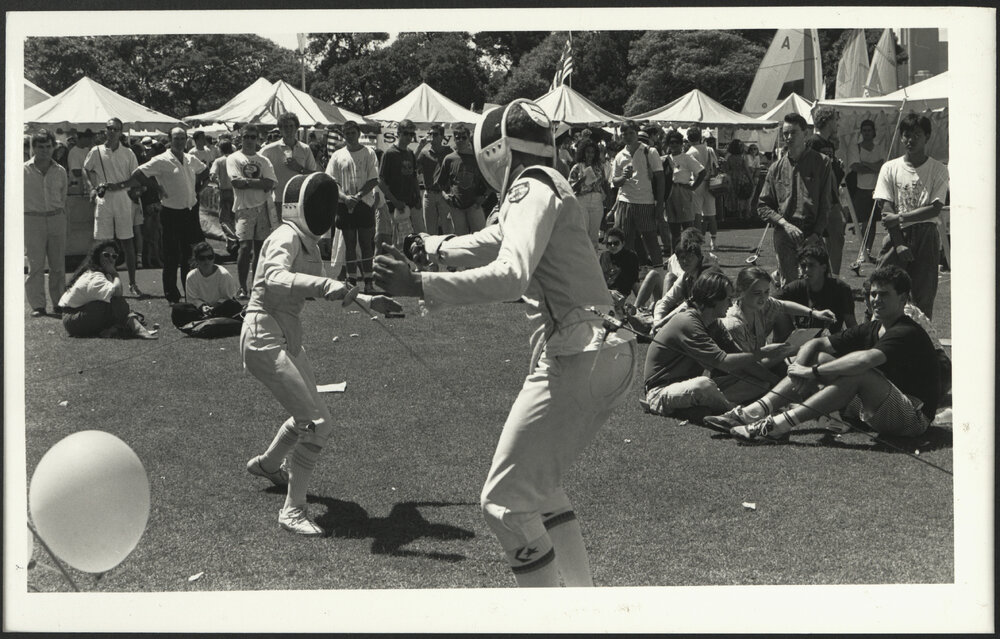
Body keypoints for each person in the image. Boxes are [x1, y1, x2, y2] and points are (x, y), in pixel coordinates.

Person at [373, 99, 636, 587]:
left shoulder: (527, 186)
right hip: (608, 349)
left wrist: (420, 284)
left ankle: (552, 617)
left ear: (494, 151)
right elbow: (497, 237)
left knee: (504, 504)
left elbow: (510, 273)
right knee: (541, 492)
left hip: (578, 353)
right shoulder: (549, 182)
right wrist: (432, 246)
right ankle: (584, 605)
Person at [241, 172, 399, 536]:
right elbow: (274, 278)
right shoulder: (284, 236)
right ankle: (292, 510)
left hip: (286, 334)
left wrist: (368, 299)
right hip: (263, 335)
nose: (326, 212)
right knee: (316, 422)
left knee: (311, 416)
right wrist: (327, 284)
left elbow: (322, 288)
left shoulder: (308, 243)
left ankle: (267, 465)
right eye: (321, 204)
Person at [706, 266, 939, 442]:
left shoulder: (905, 331)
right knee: (818, 355)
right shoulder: (873, 326)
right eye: (873, 294)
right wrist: (800, 369)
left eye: (884, 295)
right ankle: (752, 412)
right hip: (875, 407)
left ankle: (777, 425)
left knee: (859, 372)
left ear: (903, 298)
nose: (876, 300)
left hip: (912, 417)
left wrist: (811, 372)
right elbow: (817, 343)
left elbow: (865, 360)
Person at [643, 271, 778, 419]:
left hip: (687, 385)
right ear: (713, 299)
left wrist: (775, 382)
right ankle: (737, 415)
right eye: (727, 299)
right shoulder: (687, 322)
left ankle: (700, 409)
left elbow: (740, 360)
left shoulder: (714, 323)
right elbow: (723, 363)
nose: (731, 304)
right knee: (704, 385)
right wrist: (764, 353)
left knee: (759, 382)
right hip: (660, 391)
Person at [873, 113, 949, 319]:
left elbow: (935, 208)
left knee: (923, 295)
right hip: (896, 234)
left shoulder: (938, 169)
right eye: (906, 135)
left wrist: (900, 218)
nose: (911, 140)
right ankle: (875, 332)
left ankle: (921, 335)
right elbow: (886, 207)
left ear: (927, 136)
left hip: (926, 235)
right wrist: (898, 244)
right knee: (881, 288)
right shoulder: (890, 168)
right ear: (900, 137)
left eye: (917, 135)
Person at [127, 127, 210, 305]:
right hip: (171, 212)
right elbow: (138, 174)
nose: (179, 142)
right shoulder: (161, 160)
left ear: (186, 140)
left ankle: (189, 292)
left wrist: (196, 189)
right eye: (176, 138)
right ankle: (172, 296)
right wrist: (156, 187)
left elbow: (205, 171)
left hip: (190, 211)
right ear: (170, 140)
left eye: (182, 138)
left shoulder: (190, 158)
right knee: (172, 255)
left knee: (190, 255)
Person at [758, 113, 835, 287]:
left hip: (811, 232)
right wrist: (785, 224)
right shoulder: (775, 168)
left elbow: (825, 204)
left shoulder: (822, 162)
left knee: (820, 284)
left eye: (793, 132)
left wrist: (816, 234)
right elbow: (763, 206)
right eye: (785, 133)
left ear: (805, 133)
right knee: (791, 287)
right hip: (785, 233)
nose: (788, 137)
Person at [720, 266, 836, 370]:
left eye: (766, 292)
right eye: (757, 293)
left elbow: (783, 305)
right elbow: (750, 367)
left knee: (818, 358)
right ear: (741, 291)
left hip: (762, 365)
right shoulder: (734, 324)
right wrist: (783, 353)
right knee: (812, 359)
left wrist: (814, 313)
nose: (763, 297)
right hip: (746, 376)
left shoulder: (758, 306)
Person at [84, 118, 142, 296]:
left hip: (123, 198)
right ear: (105, 130)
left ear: (120, 132)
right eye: (109, 128)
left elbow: (136, 178)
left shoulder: (128, 153)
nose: (112, 131)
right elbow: (87, 169)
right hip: (104, 199)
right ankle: (102, 284)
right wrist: (92, 187)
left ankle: (132, 283)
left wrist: (120, 186)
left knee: (127, 241)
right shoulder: (96, 151)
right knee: (103, 244)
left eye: (116, 129)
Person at [58, 240, 158, 339]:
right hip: (72, 319)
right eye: (106, 255)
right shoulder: (95, 276)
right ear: (98, 256)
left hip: (77, 316)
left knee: (113, 306)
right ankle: (136, 328)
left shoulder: (99, 273)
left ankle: (116, 329)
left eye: (114, 256)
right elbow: (117, 293)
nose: (110, 259)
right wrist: (115, 274)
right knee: (116, 302)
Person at [326, 119, 380, 292]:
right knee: (349, 244)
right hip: (344, 204)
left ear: (359, 134)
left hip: (364, 203)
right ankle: (351, 281)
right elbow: (332, 180)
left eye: (353, 133)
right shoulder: (337, 155)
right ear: (343, 135)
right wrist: (344, 197)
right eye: (347, 133)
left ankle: (369, 282)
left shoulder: (369, 153)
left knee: (366, 244)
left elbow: (374, 179)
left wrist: (357, 196)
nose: (350, 136)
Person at [227, 124, 277, 297]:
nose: (249, 140)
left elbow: (271, 183)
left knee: (260, 249)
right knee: (244, 247)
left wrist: (247, 182)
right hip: (244, 208)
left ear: (258, 139)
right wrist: (260, 183)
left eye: (252, 137)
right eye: (246, 137)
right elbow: (236, 182)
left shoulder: (264, 160)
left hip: (263, 207)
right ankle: (242, 287)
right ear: (240, 138)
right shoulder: (234, 158)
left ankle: (256, 284)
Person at [773, 243, 858, 342]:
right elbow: (769, 301)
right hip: (801, 340)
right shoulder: (796, 287)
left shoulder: (841, 289)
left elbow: (851, 323)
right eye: (803, 266)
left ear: (824, 268)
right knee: (775, 309)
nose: (806, 270)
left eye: (811, 265)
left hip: (829, 341)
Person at [24, 129, 69, 318]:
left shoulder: (60, 171)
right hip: (32, 219)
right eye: (40, 147)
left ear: (53, 148)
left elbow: (63, 196)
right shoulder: (23, 170)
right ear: (33, 148)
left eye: (48, 146)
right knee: (35, 265)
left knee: (58, 264)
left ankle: (59, 303)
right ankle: (38, 305)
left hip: (56, 217)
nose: (44, 150)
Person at [611, 120, 665, 268]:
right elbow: (615, 182)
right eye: (625, 134)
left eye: (631, 133)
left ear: (637, 133)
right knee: (624, 241)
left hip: (645, 202)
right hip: (625, 202)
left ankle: (659, 272)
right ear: (621, 136)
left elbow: (660, 178)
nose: (628, 136)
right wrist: (623, 177)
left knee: (651, 240)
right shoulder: (619, 156)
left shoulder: (650, 152)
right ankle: (627, 273)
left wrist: (660, 204)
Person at [807, 106, 848, 275]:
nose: (837, 123)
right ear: (828, 121)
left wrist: (837, 166)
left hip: (831, 197)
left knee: (836, 236)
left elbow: (832, 174)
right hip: (819, 199)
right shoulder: (813, 142)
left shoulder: (829, 144)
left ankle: (833, 276)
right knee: (818, 241)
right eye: (835, 120)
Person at [260, 112, 319, 220]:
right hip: (278, 200)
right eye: (285, 126)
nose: (288, 129)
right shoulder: (268, 150)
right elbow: (259, 170)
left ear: (296, 128)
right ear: (280, 129)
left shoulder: (305, 149)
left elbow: (314, 175)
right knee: (279, 229)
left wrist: (299, 168)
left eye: (291, 126)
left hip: (300, 200)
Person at [171, 242, 243, 328]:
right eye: (202, 258)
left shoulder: (223, 274)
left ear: (213, 258)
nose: (206, 261)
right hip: (200, 311)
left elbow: (228, 297)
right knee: (178, 308)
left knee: (233, 306)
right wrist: (203, 307)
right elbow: (192, 299)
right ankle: (207, 320)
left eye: (210, 257)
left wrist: (213, 308)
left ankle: (204, 321)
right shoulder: (191, 276)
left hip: (220, 308)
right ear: (196, 260)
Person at [379, 118, 426, 242]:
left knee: (421, 237)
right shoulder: (389, 154)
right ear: (398, 133)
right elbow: (381, 181)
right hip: (397, 206)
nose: (409, 137)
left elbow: (414, 177)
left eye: (411, 134)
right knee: (401, 242)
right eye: (406, 133)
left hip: (412, 203)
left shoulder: (410, 153)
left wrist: (418, 198)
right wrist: (395, 202)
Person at [436, 124, 488, 237]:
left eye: (464, 137)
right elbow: (441, 184)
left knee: (481, 237)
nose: (460, 140)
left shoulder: (477, 157)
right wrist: (445, 196)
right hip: (456, 207)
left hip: (475, 205)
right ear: (454, 139)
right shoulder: (449, 159)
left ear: (469, 138)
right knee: (461, 240)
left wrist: (484, 196)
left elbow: (488, 179)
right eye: (457, 137)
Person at [847, 119, 885, 260]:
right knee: (863, 222)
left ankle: (868, 249)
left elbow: (882, 167)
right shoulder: (855, 147)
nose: (867, 133)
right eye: (864, 130)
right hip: (861, 188)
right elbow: (855, 167)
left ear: (873, 132)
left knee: (873, 221)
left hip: (876, 189)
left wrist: (865, 164)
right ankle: (863, 250)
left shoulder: (879, 148)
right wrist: (873, 166)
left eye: (869, 130)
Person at [663, 130, 704, 245]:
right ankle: (675, 253)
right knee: (673, 228)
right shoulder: (665, 159)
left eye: (677, 142)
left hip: (683, 191)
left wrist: (693, 186)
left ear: (681, 144)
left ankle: (690, 252)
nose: (674, 144)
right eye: (671, 142)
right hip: (669, 193)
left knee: (687, 228)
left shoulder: (687, 158)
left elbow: (702, 172)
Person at [568, 138, 608, 248]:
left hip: (597, 200)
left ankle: (594, 257)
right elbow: (570, 187)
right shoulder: (577, 167)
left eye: (592, 152)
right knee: (583, 233)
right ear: (583, 152)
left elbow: (604, 183)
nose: (590, 155)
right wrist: (581, 180)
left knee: (594, 236)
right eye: (587, 152)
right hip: (582, 200)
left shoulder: (599, 166)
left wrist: (607, 199)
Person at [686, 126, 720, 250]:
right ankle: (713, 242)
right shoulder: (709, 149)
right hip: (710, 183)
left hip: (696, 183)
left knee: (697, 215)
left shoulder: (689, 152)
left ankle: (698, 241)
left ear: (688, 139)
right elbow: (716, 168)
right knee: (711, 215)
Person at [416, 123, 453, 235]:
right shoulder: (424, 153)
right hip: (429, 194)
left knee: (448, 230)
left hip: (444, 194)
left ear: (442, 137)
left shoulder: (449, 152)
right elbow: (412, 166)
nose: (432, 136)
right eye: (430, 134)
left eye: (435, 134)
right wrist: (420, 146)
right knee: (430, 232)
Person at [209, 140, 238, 255]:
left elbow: (212, 175)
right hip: (237, 191)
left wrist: (218, 183)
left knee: (224, 220)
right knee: (234, 218)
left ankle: (232, 238)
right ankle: (233, 242)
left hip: (225, 191)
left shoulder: (219, 161)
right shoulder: (236, 159)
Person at [600, 227, 640, 306]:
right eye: (609, 244)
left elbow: (634, 281)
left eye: (616, 243)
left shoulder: (630, 257)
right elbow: (599, 278)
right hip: (604, 292)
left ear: (623, 243)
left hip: (619, 296)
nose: (612, 246)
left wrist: (640, 302)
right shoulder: (604, 256)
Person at [721, 139, 754, 222]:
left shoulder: (729, 158)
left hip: (732, 179)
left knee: (735, 196)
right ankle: (745, 214)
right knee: (743, 196)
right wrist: (751, 180)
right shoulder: (743, 158)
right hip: (742, 178)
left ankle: (738, 214)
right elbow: (746, 170)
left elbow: (726, 169)